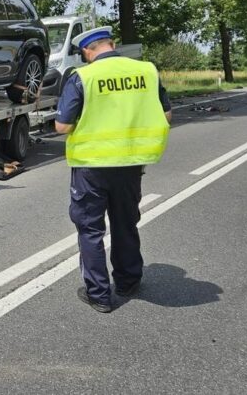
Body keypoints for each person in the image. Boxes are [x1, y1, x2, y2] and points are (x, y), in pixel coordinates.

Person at [54, 26, 172, 313]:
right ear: (112, 44)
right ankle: (129, 281)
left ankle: (99, 295)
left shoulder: (83, 76)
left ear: (86, 52)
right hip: (131, 162)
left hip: (92, 165)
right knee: (125, 222)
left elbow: (63, 126)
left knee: (90, 229)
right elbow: (166, 114)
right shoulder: (146, 71)